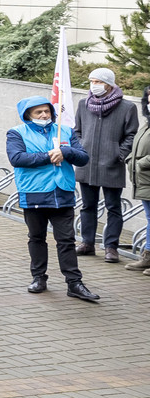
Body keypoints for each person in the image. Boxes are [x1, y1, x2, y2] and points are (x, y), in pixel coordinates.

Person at [6, 96, 99, 301]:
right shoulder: (17, 133)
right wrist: (48, 156)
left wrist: (65, 151)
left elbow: (83, 157)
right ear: (27, 115)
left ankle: (74, 283)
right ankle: (39, 277)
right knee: (37, 237)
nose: (44, 115)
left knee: (66, 240)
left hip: (62, 192)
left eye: (46, 111)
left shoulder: (65, 131)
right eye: (38, 112)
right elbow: (17, 158)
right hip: (34, 192)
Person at [74, 66, 139, 262]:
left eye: (98, 82)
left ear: (109, 84)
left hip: (112, 165)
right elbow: (77, 131)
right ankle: (87, 243)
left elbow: (131, 135)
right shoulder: (84, 104)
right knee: (87, 206)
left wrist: (119, 154)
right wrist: (81, 149)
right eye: (92, 81)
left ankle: (111, 247)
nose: (94, 85)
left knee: (113, 207)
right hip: (86, 164)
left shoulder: (127, 107)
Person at [129, 85, 150, 273]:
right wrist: (131, 159)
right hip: (144, 180)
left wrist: (141, 163)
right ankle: (148, 256)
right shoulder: (147, 123)